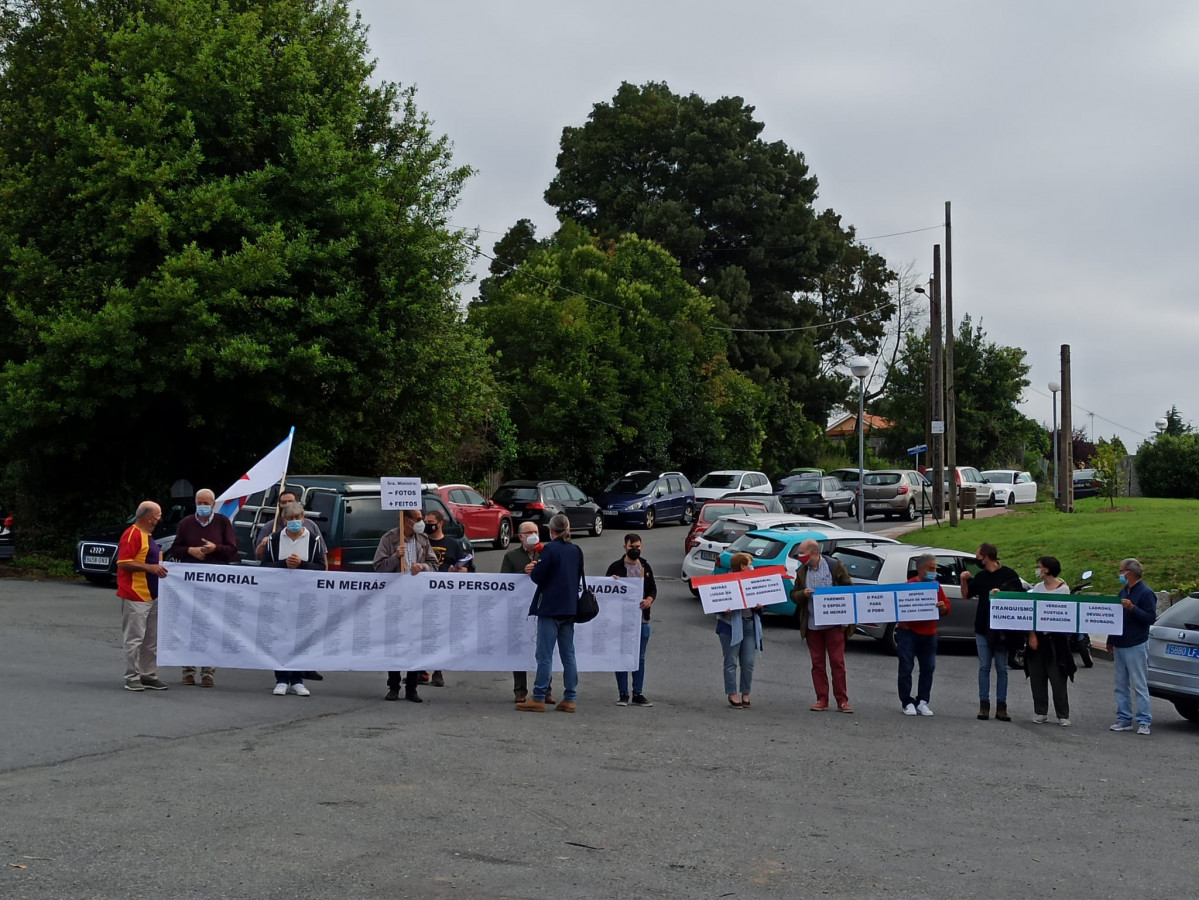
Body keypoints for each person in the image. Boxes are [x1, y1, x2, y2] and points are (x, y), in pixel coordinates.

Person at [165, 488, 238, 687]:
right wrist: (191, 550)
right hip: (190, 584)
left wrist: (215, 548)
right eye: (200, 503)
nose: (203, 506)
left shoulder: (223, 522)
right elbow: (175, 549)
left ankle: (208, 672)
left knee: (212, 625)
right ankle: (188, 670)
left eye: (207, 503)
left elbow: (232, 551)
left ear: (213, 505)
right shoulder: (186, 523)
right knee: (189, 625)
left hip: (215, 582)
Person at [261, 501, 328, 697]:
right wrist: (283, 564)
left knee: (301, 638)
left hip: (304, 596)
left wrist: (301, 565)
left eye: (297, 518)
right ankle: (281, 678)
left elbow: (320, 567)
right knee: (280, 636)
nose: (294, 522)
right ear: (284, 521)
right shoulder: (273, 539)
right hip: (280, 595)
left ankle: (297, 679)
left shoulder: (314, 540)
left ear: (303, 519)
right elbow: (264, 565)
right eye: (289, 519)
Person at [373, 509, 439, 702]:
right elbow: (378, 567)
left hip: (417, 598)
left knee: (415, 640)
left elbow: (434, 565)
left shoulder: (422, 539)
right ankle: (393, 685)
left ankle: (412, 687)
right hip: (395, 597)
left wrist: (422, 567)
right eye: (418, 519)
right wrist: (395, 557)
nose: (421, 522)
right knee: (394, 641)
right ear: (406, 520)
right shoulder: (390, 538)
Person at [517, 514, 580, 713]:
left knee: (544, 655)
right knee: (568, 654)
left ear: (550, 530)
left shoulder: (550, 549)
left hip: (551, 607)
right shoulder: (576, 550)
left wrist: (535, 568)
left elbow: (539, 577)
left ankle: (538, 696)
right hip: (570, 607)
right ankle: (570, 697)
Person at [791, 537, 856, 713]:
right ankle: (822, 698)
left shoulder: (834, 566)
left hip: (834, 624)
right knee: (817, 664)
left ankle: (842, 700)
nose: (799, 557)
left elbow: (849, 590)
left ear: (814, 553)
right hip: (813, 624)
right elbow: (793, 595)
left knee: (837, 662)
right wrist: (802, 594)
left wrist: (846, 619)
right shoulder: (802, 571)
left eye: (802, 554)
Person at [960, 542, 1021, 721]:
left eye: (978, 556)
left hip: (1002, 630)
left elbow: (1019, 597)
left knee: (1001, 668)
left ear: (986, 557)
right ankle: (984, 705)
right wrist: (964, 580)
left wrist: (1002, 593)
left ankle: (1002, 706)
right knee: (984, 666)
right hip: (982, 628)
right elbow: (966, 594)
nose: (976, 559)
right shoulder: (980, 576)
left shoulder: (1009, 574)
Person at [116, 501, 170, 692]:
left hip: (151, 594)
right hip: (135, 594)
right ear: (149, 518)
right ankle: (132, 676)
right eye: (158, 515)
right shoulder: (132, 535)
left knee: (151, 638)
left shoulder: (147, 535)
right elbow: (123, 562)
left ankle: (148, 674)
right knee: (135, 638)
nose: (159, 519)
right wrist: (151, 567)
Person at [502, 521, 553, 704]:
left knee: (545, 650)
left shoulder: (547, 552)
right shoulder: (511, 556)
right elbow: (503, 581)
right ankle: (520, 690)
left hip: (543, 606)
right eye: (529, 532)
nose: (533, 535)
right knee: (520, 648)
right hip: (519, 609)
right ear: (521, 536)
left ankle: (546, 690)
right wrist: (522, 572)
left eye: (536, 531)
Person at [1025, 556, 1076, 726]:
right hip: (1038, 638)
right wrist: (1031, 635)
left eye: (1039, 567)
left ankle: (1063, 714)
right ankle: (1040, 711)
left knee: (1057, 677)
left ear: (1047, 569)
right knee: (1037, 676)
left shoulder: (1063, 590)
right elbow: (1030, 612)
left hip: (1056, 639)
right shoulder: (1038, 588)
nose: (1037, 569)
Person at [421, 509, 469, 687]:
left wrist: (458, 570)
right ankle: (421, 671)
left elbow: (466, 568)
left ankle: (438, 671)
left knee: (440, 633)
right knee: (423, 632)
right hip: (423, 595)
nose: (427, 524)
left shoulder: (453, 544)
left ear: (440, 523)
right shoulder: (421, 542)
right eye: (425, 521)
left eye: (431, 521)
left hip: (444, 596)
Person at [1110, 557, 1157, 735]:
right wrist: (1110, 639)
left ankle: (1144, 721)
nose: (1119, 574)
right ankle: (1124, 719)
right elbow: (1115, 619)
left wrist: (1133, 609)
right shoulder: (1123, 592)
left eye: (1121, 571)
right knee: (1120, 684)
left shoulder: (1146, 593)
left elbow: (1150, 618)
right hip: (1121, 642)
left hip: (1136, 643)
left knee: (1139, 683)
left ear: (1129, 573)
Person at [898, 554, 950, 716]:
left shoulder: (936, 586)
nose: (934, 571)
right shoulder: (909, 586)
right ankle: (907, 701)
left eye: (935, 568)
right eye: (931, 568)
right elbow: (899, 606)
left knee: (928, 668)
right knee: (906, 667)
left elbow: (946, 607)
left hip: (929, 634)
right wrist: (903, 621)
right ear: (921, 569)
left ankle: (922, 700)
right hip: (909, 633)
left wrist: (942, 608)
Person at [608, 533, 656, 707]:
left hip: (642, 620)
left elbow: (653, 589)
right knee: (621, 655)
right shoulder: (615, 566)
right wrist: (611, 582)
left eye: (638, 547)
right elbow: (605, 592)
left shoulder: (646, 566)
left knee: (640, 657)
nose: (635, 549)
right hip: (621, 620)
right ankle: (623, 693)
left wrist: (649, 600)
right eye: (631, 547)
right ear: (624, 547)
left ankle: (638, 692)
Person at [716, 552, 761, 709]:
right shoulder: (725, 583)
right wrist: (723, 609)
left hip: (749, 624)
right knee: (731, 661)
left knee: (748, 662)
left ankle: (746, 693)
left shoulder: (752, 581)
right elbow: (714, 604)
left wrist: (760, 606)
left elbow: (763, 601)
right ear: (742, 566)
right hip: (730, 626)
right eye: (749, 564)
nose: (751, 567)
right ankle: (732, 693)